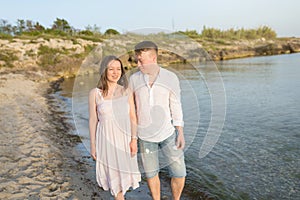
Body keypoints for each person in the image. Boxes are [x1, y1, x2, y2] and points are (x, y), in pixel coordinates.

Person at [129, 41, 186, 200]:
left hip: (168, 134)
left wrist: (180, 131)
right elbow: (131, 109)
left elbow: (175, 104)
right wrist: (133, 137)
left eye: (141, 60)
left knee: (180, 173)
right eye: (137, 60)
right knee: (151, 174)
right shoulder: (134, 79)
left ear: (153, 58)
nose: (138, 64)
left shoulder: (170, 77)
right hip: (145, 137)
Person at [89, 55, 141, 200]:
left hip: (124, 141)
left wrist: (134, 140)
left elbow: (132, 117)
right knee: (115, 182)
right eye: (111, 69)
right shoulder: (95, 93)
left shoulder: (126, 90)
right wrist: (92, 145)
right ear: (104, 71)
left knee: (122, 181)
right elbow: (93, 120)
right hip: (106, 141)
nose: (115, 72)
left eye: (118, 69)